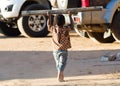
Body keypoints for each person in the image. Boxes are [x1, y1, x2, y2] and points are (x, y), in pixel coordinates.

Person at [47, 12, 74, 82]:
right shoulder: (66, 29)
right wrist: (70, 16)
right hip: (64, 50)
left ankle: (61, 76)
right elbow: (72, 26)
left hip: (55, 50)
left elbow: (48, 24)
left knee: (58, 63)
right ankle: (59, 75)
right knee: (62, 63)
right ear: (64, 22)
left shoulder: (53, 29)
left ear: (55, 22)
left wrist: (49, 16)